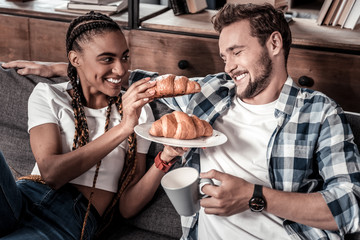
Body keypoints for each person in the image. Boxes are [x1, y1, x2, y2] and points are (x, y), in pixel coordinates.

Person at [3, 3, 360, 240]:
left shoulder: (319, 113)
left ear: (275, 44)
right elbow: (131, 79)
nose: (228, 66)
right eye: (223, 56)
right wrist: (55, 68)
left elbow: (351, 207)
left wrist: (255, 198)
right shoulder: (211, 92)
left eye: (237, 52)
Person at [0, 11, 186, 240]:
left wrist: (164, 159)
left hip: (71, 220)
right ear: (75, 59)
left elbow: (127, 207)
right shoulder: (48, 94)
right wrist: (123, 128)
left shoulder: (139, 109)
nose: (121, 70)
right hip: (21, 197)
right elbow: (51, 173)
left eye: (125, 57)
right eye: (107, 59)